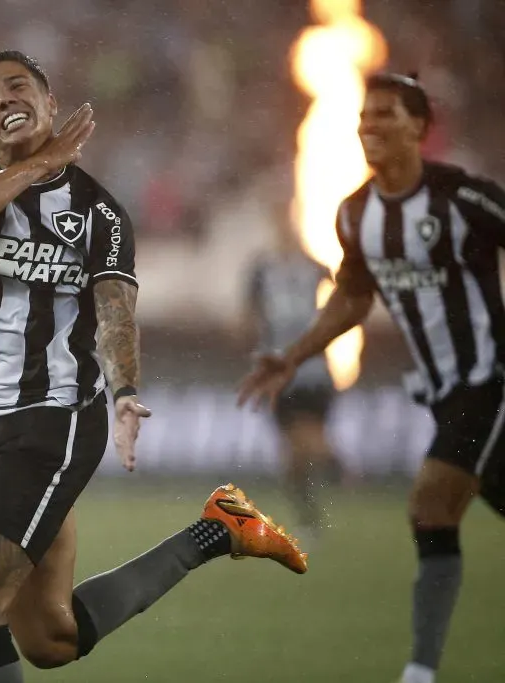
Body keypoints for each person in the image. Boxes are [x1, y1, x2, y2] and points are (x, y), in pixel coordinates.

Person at [0, 50, 307, 683]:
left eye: (17, 87)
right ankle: (218, 531)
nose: (3, 100)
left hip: (53, 421)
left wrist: (125, 391)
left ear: (51, 104)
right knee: (50, 639)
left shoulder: (98, 213)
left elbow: (116, 313)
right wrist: (42, 163)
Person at [237, 73, 505, 683]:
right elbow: (353, 299)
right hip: (440, 389)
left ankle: (420, 670)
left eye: (385, 115)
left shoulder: (463, 200)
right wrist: (295, 353)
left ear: (419, 126)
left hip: (490, 378)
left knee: (430, 505)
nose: (369, 127)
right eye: (364, 117)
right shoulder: (357, 214)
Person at [242, 200, 342, 537]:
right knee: (292, 455)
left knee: (308, 439)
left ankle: (338, 467)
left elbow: (345, 296)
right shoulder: (262, 269)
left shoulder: (313, 267)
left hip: (311, 367)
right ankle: (309, 515)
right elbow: (248, 315)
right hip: (277, 370)